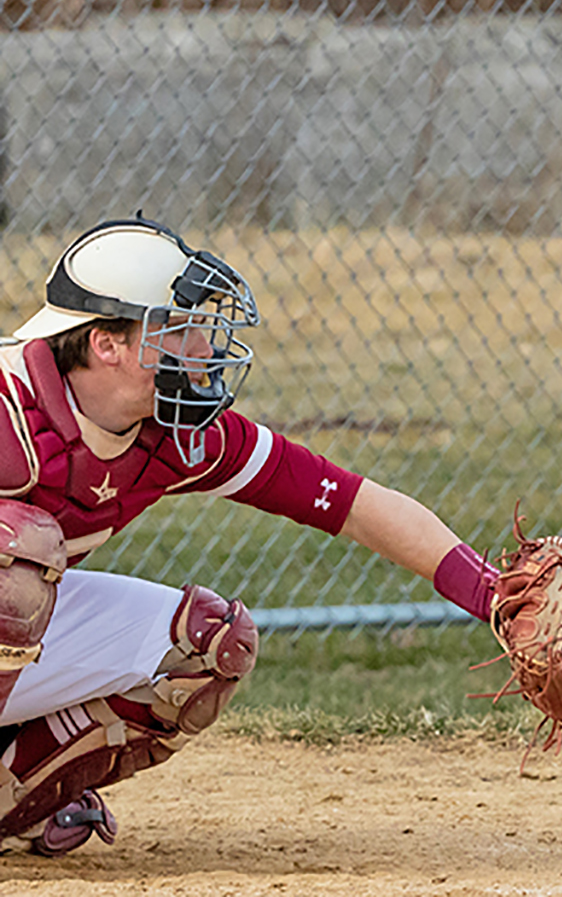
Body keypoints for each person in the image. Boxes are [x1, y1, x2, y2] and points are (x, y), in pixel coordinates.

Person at [0, 215, 517, 855]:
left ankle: (16, 797)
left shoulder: (181, 438)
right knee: (15, 553)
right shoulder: (8, 404)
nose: (205, 347)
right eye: (179, 329)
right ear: (108, 345)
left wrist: (492, 596)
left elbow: (351, 503)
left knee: (207, 643)